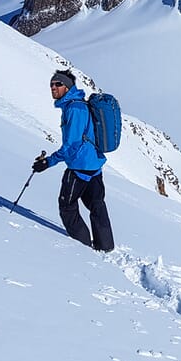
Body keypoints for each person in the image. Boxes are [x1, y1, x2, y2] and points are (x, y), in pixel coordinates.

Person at [33, 69, 115, 252]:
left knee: (67, 206)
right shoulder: (79, 105)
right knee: (97, 205)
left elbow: (72, 144)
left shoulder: (74, 109)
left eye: (58, 84)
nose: (53, 87)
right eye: (51, 84)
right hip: (94, 164)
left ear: (67, 87)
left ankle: (83, 248)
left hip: (79, 167)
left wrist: (48, 162)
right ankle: (105, 246)